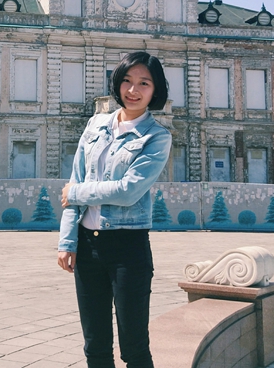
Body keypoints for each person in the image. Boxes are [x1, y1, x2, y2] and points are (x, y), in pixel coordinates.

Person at [57, 51, 172, 368]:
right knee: (95, 345)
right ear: (117, 83)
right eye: (127, 81)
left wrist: (77, 192)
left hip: (127, 248)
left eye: (144, 83)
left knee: (134, 347)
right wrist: (67, 242)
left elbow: (128, 191)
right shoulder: (95, 125)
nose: (133, 90)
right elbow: (76, 177)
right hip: (87, 246)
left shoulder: (156, 137)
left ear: (155, 90)